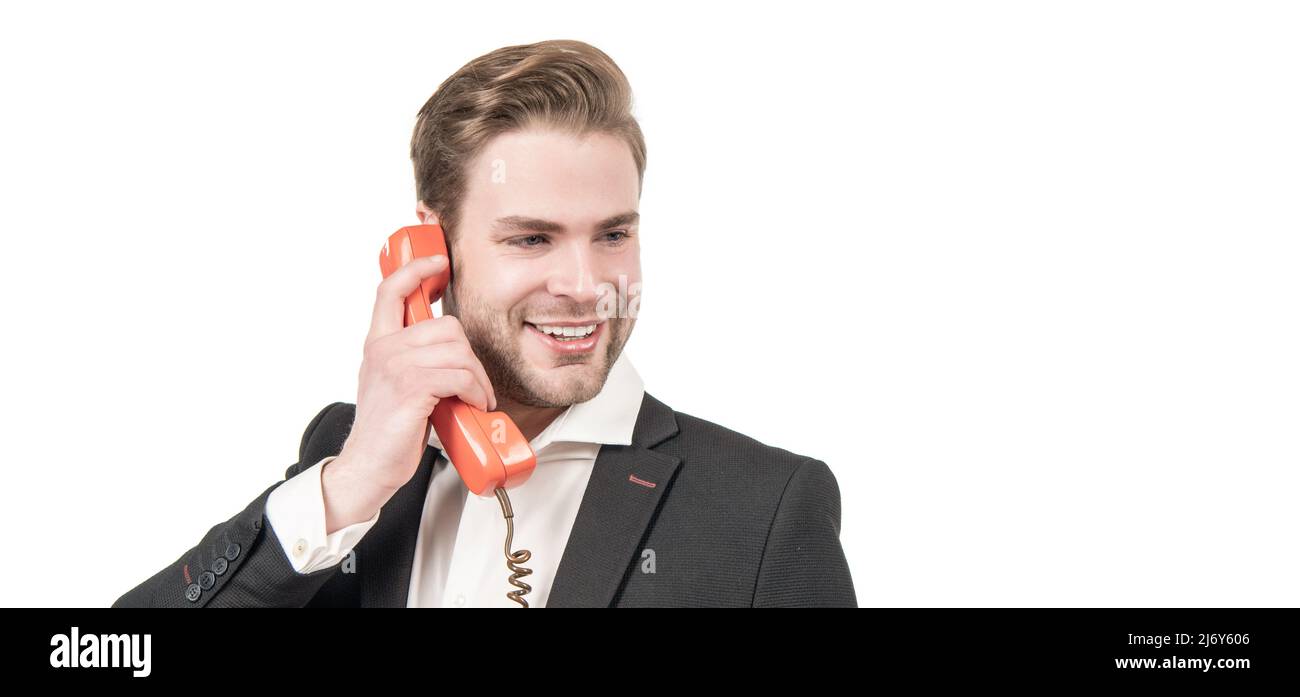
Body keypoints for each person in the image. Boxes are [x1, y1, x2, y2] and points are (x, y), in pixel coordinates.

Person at [112, 39, 856, 608]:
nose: (585, 284)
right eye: (531, 238)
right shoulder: (345, 463)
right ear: (433, 251)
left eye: (613, 234)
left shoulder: (764, 510)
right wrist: (348, 486)